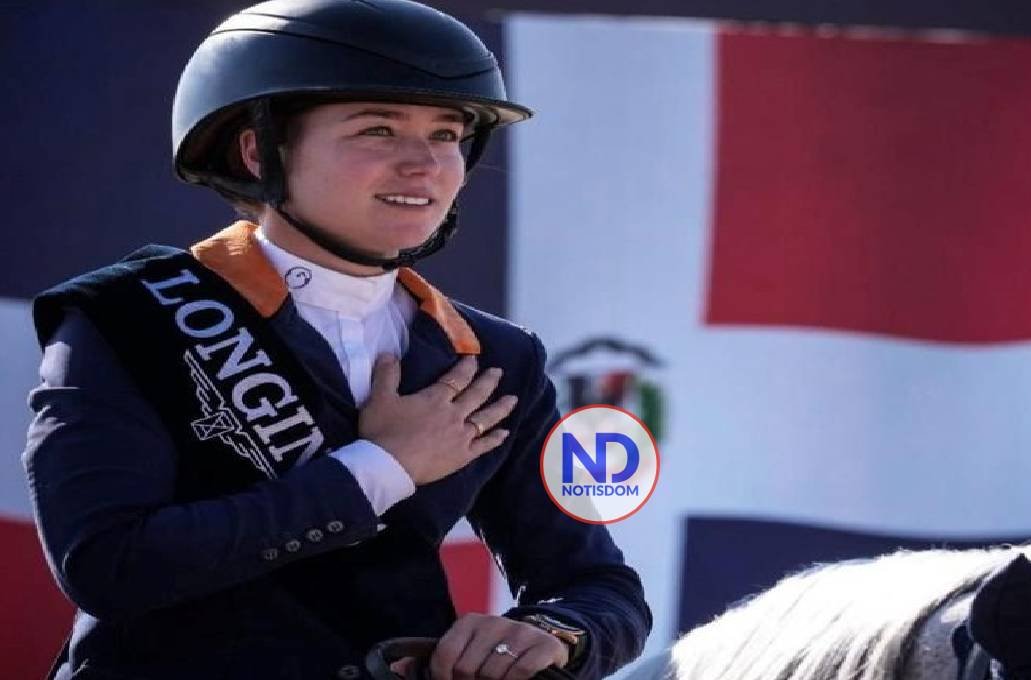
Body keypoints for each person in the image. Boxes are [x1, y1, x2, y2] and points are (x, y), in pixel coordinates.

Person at [22, 1, 652, 679]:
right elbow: (109, 566)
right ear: (260, 150)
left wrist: (557, 634)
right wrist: (381, 467)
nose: (425, 164)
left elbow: (600, 588)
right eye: (378, 129)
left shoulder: (497, 358)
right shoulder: (123, 316)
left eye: (446, 134)